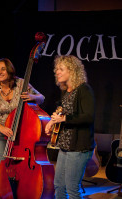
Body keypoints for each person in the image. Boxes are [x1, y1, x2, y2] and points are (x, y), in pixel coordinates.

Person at [45, 55, 95, 199]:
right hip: (65, 146)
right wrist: (52, 122)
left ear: (72, 71)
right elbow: (62, 112)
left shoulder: (84, 90)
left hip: (79, 148)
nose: (57, 72)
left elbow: (88, 116)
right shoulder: (67, 92)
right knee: (59, 185)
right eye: (56, 69)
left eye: (61, 69)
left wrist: (64, 118)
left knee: (72, 189)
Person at [0, 58, 45, 172]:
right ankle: (3, 190)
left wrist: (33, 97)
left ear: (9, 70)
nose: (0, 72)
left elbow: (41, 98)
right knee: (2, 167)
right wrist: (2, 128)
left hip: (18, 133)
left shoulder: (21, 84)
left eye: (3, 69)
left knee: (18, 167)